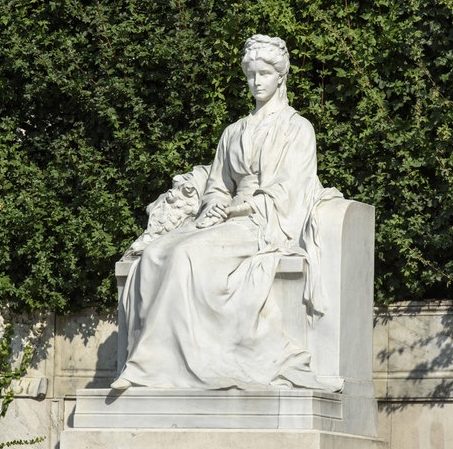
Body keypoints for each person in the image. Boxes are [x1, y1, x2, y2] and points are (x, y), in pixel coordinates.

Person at [111, 35, 329, 390]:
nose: (257, 82)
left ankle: (148, 367)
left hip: (263, 221)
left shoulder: (297, 129)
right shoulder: (233, 132)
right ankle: (158, 365)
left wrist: (241, 206)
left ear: (280, 77)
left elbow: (292, 188)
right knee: (153, 255)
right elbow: (217, 184)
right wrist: (213, 206)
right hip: (226, 219)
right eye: (251, 75)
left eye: (264, 75)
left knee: (184, 255)